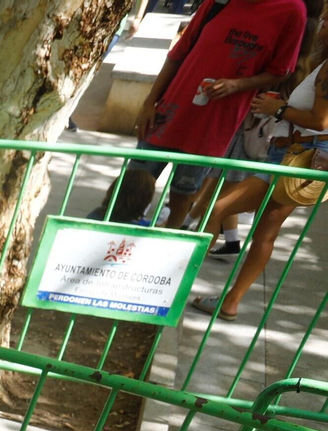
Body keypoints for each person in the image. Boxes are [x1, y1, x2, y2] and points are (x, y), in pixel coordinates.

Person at [132, 0, 306, 230]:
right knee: (131, 187)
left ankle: (164, 247)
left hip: (214, 126)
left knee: (182, 197)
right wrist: (148, 103)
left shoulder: (292, 11)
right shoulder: (218, 2)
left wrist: (238, 85)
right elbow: (178, 53)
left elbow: (280, 71)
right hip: (168, 114)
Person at [192, 28, 328, 321]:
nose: (322, 28)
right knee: (265, 231)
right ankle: (230, 302)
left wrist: (278, 109)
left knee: (218, 210)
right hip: (296, 155)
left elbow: (320, 120)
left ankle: (176, 285)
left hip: (299, 159)